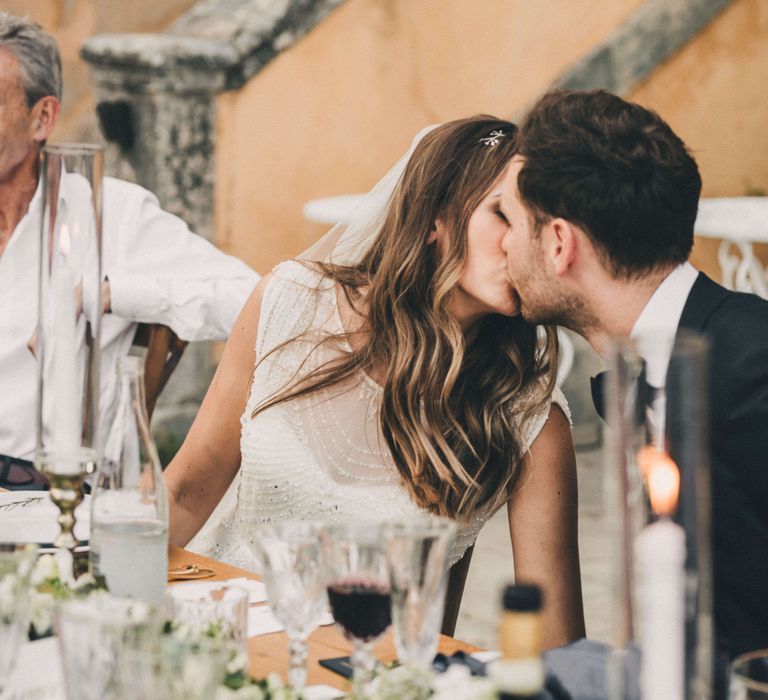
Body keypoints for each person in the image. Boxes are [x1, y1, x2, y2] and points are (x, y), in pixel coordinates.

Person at [165, 116, 586, 648]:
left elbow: (560, 649)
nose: (518, 244)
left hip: (368, 677)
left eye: (536, 224)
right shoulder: (288, 302)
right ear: (436, 216)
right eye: (502, 214)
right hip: (218, 646)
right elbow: (184, 492)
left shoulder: (530, 419)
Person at [499, 89, 768, 665]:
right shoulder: (672, 360)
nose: (501, 244)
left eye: (509, 221)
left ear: (558, 244)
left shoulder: (755, 370)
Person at [0, 12, 259, 485]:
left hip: (43, 497)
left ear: (43, 117)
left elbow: (254, 302)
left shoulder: (109, 216)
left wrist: (105, 294)